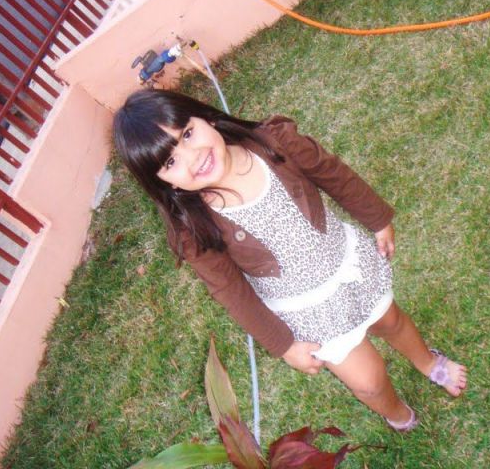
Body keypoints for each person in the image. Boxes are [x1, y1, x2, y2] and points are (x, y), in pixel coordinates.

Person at [112, 88, 467, 431]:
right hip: (308, 312)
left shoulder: (275, 143)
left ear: (207, 118)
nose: (193, 157)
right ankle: (397, 414)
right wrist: (283, 346)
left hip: (348, 266)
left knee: (391, 322)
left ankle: (427, 361)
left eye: (188, 134)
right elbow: (232, 293)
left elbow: (334, 175)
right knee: (368, 382)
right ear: (165, 183)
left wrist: (377, 219)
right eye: (170, 162)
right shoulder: (194, 229)